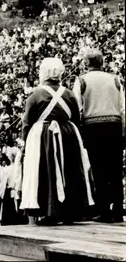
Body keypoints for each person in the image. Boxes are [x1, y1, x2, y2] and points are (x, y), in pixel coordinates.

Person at [20, 57, 94, 226]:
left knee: (46, 172)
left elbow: (27, 122)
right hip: (68, 135)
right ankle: (70, 212)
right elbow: (76, 117)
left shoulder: (35, 95)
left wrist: (25, 144)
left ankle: (50, 212)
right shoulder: (68, 93)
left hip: (43, 137)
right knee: (70, 170)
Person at [73, 49, 125, 223]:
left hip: (93, 128)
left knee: (99, 170)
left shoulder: (81, 80)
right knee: (116, 170)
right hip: (115, 126)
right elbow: (123, 108)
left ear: (87, 63)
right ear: (102, 62)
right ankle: (118, 210)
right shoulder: (115, 79)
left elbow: (77, 108)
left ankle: (103, 211)